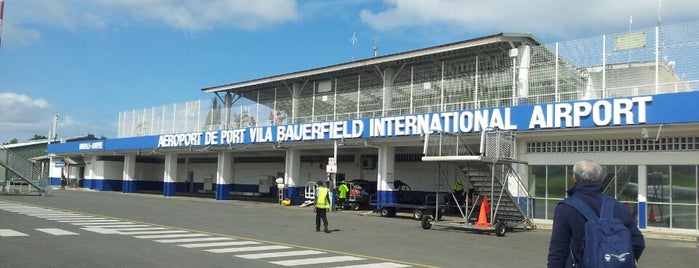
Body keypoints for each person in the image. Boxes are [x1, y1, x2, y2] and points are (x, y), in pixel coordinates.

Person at [547, 160, 645, 267]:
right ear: (601, 179)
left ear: (574, 178)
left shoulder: (565, 208)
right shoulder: (618, 206)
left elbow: (558, 251)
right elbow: (638, 242)